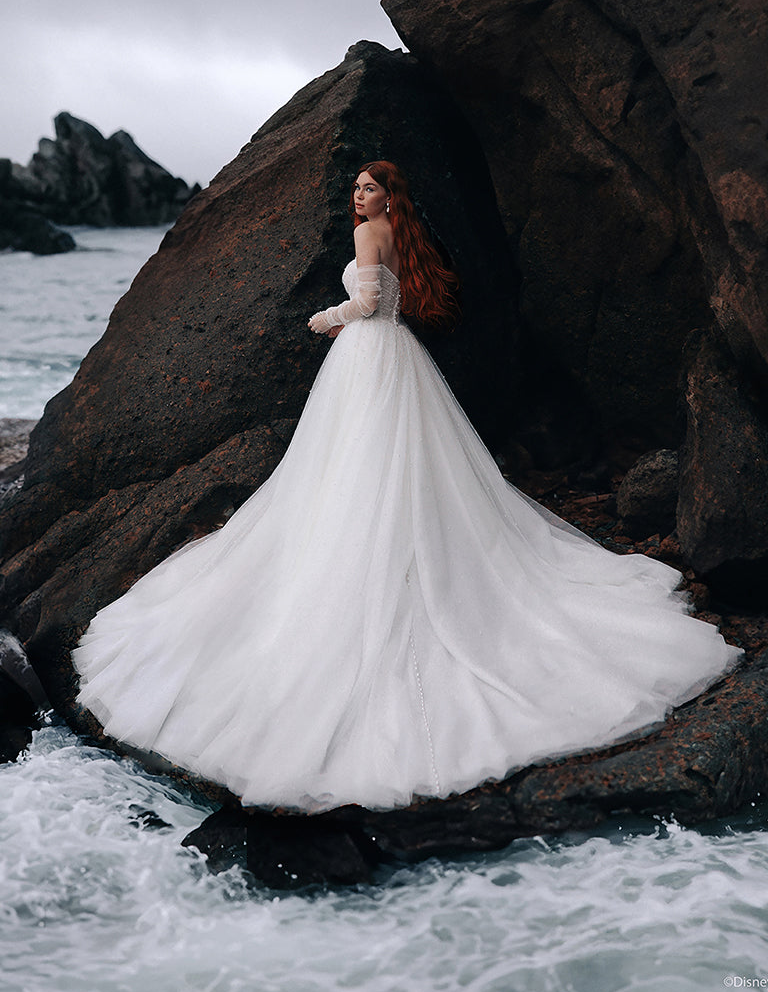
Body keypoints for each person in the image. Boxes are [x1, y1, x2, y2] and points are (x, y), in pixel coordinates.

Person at [73, 161, 742, 812]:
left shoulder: (369, 235)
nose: (358, 196)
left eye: (370, 188)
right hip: (396, 356)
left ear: (390, 198)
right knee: (403, 469)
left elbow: (366, 303)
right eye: (356, 186)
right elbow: (388, 300)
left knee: (354, 471)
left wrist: (325, 319)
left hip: (366, 355)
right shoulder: (400, 235)